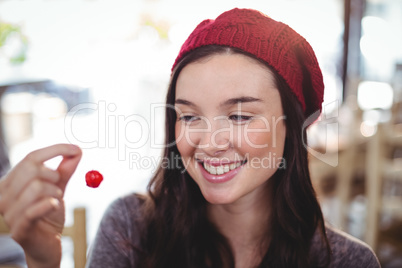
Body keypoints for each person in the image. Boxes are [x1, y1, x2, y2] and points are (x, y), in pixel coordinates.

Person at [0, 8, 381, 268]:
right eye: (189, 116)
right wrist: (43, 260)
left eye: (239, 115)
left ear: (292, 126)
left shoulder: (346, 261)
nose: (209, 142)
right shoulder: (132, 227)